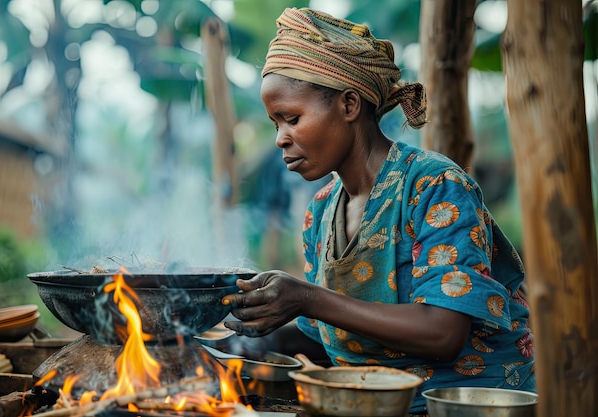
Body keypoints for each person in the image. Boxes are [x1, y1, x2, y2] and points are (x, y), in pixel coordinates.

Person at [221, 7, 536, 414]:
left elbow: (444, 333)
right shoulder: (320, 213)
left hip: (464, 406)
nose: (281, 138)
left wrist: (305, 297)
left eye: (292, 119)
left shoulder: (433, 187)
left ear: (349, 105)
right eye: (275, 123)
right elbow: (333, 333)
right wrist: (245, 334)